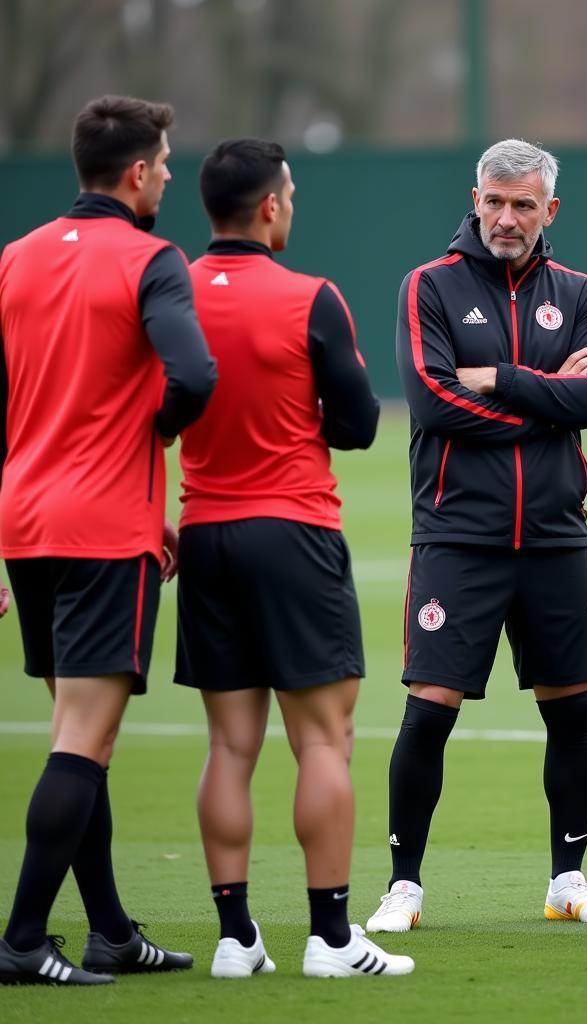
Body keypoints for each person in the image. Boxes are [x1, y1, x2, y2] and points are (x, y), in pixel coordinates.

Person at [366, 138, 587, 933]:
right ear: (474, 199)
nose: (505, 217)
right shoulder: (429, 287)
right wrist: (550, 399)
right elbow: (437, 405)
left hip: (554, 536)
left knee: (571, 709)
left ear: (551, 210)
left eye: (522, 204)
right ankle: (403, 886)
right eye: (493, 200)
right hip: (457, 536)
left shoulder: (578, 292)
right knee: (430, 707)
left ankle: (568, 880)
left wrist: (505, 382)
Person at [175, 138, 412, 979]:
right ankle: (332, 938)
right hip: (295, 533)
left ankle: (236, 942)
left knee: (229, 747)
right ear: (271, 205)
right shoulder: (311, 296)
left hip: (202, 534)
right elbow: (356, 424)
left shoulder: (170, 291)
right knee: (324, 741)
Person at [0, 95, 216, 985]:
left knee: (76, 734)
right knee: (82, 742)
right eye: (163, 164)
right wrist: (152, 437)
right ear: (137, 174)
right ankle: (18, 943)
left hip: (27, 522)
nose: (167, 175)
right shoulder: (153, 258)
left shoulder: (13, 259)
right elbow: (193, 374)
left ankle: (113, 934)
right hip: (103, 530)